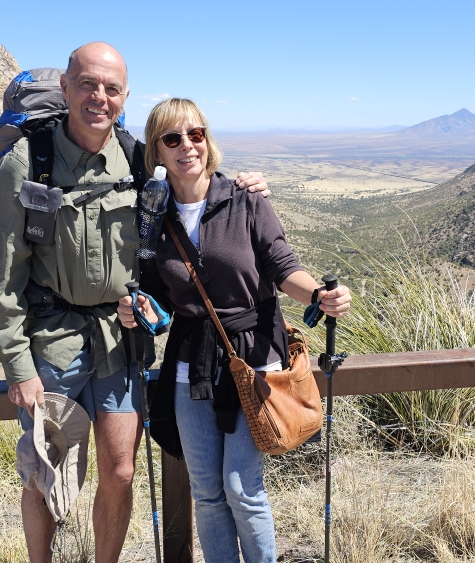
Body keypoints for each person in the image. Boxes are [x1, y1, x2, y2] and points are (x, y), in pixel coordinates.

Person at [0, 42, 271, 563]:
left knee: (120, 470)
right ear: (66, 88)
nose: (99, 97)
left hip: (120, 340)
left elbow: (193, 187)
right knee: (48, 469)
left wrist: (246, 186)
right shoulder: (27, 164)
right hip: (52, 342)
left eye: (111, 88)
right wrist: (18, 366)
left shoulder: (136, 158)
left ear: (125, 95)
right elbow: (0, 275)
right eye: (87, 84)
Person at [118, 98, 352, 563]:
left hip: (254, 360)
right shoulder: (153, 222)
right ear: (157, 154)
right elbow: (157, 294)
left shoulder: (245, 200)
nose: (187, 146)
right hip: (190, 366)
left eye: (196, 134)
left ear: (208, 141)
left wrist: (317, 297)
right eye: (172, 138)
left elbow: (283, 267)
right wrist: (139, 310)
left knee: (242, 488)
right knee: (206, 490)